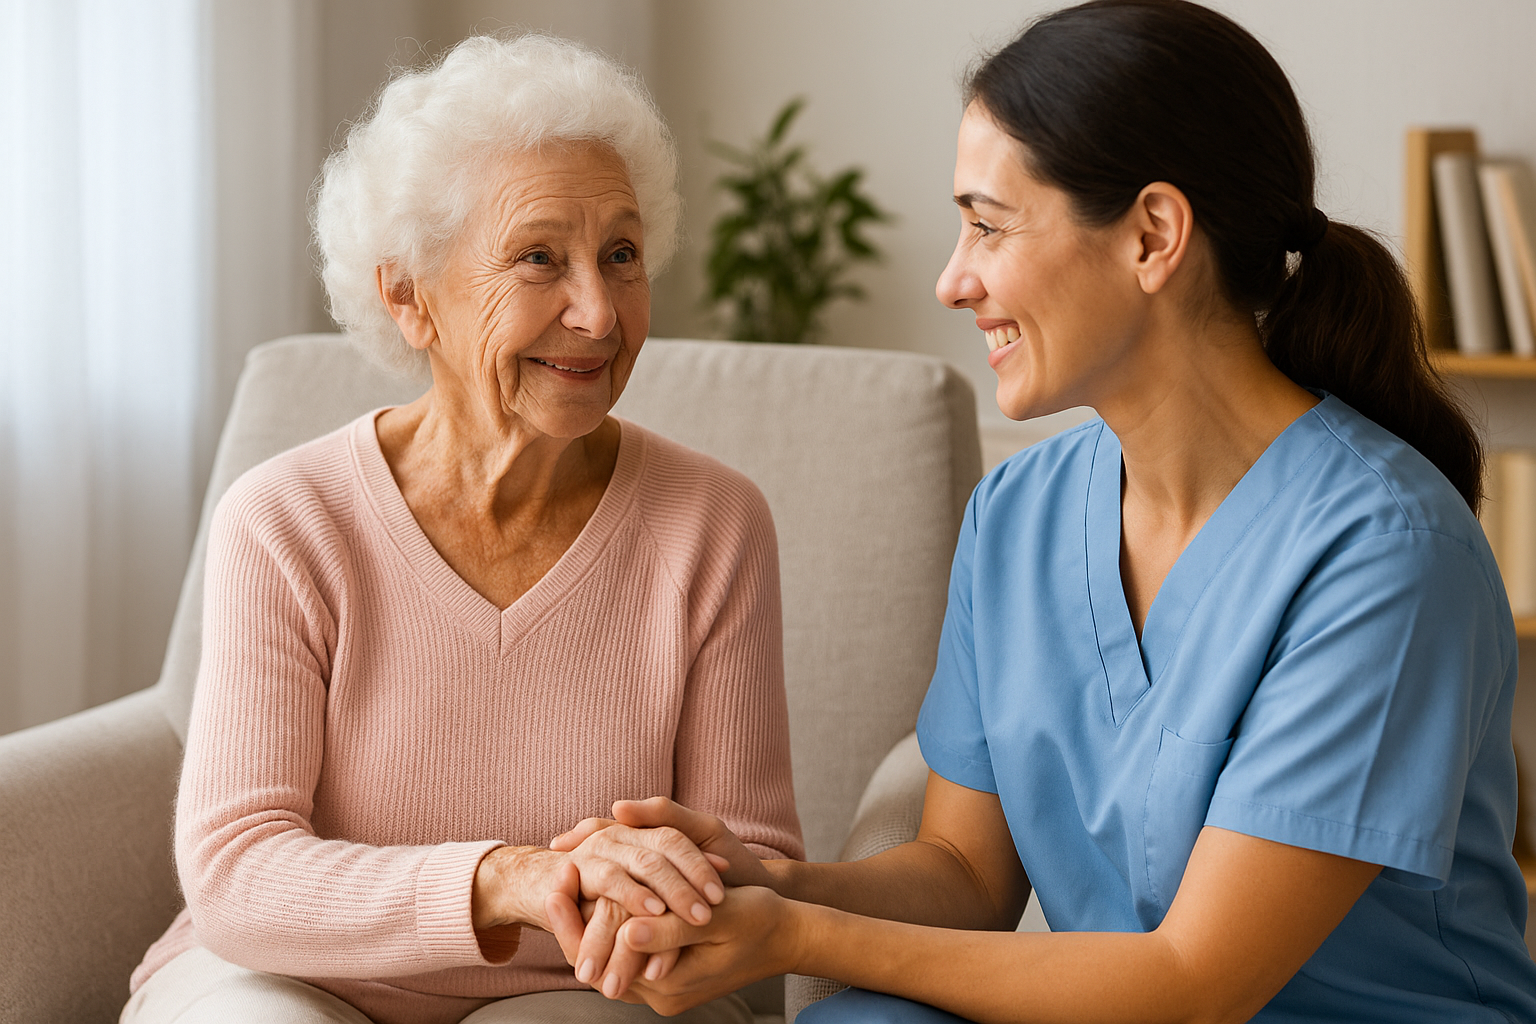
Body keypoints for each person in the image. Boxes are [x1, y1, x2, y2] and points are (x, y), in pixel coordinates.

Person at [544, 2, 1536, 1021]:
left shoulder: (1384, 553)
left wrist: (794, 935)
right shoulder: (1019, 513)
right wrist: (758, 885)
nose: (951, 279)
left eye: (988, 224)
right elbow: (967, 881)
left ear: (1153, 235)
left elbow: (1195, 984)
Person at [120, 34, 801, 1024]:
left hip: (577, 989)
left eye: (621, 254)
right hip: (287, 976)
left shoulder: (713, 523)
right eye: (539, 258)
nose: (599, 312)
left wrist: (673, 889)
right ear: (408, 297)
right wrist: (508, 879)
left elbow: (760, 870)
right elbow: (238, 872)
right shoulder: (287, 520)